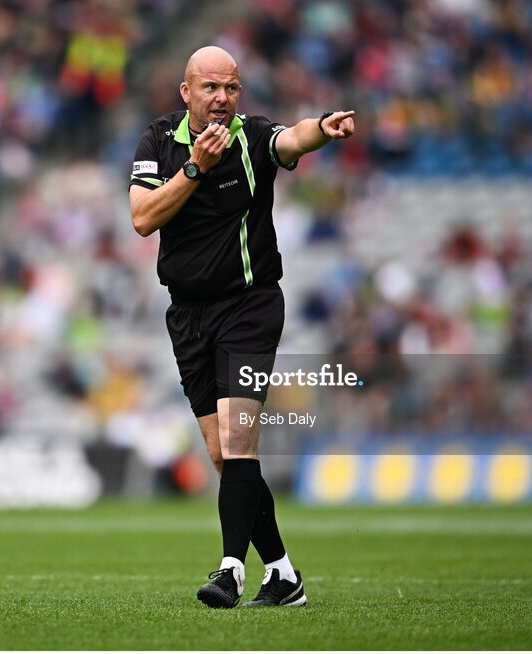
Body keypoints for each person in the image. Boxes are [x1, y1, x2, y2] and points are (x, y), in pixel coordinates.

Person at [128, 46, 355, 608]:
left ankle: (230, 570)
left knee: (237, 437)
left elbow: (291, 138)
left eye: (231, 87)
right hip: (187, 314)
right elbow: (142, 218)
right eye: (210, 88)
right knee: (224, 455)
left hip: (249, 306)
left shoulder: (252, 136)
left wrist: (322, 130)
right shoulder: (159, 142)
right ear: (187, 93)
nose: (222, 98)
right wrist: (195, 169)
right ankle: (282, 573)